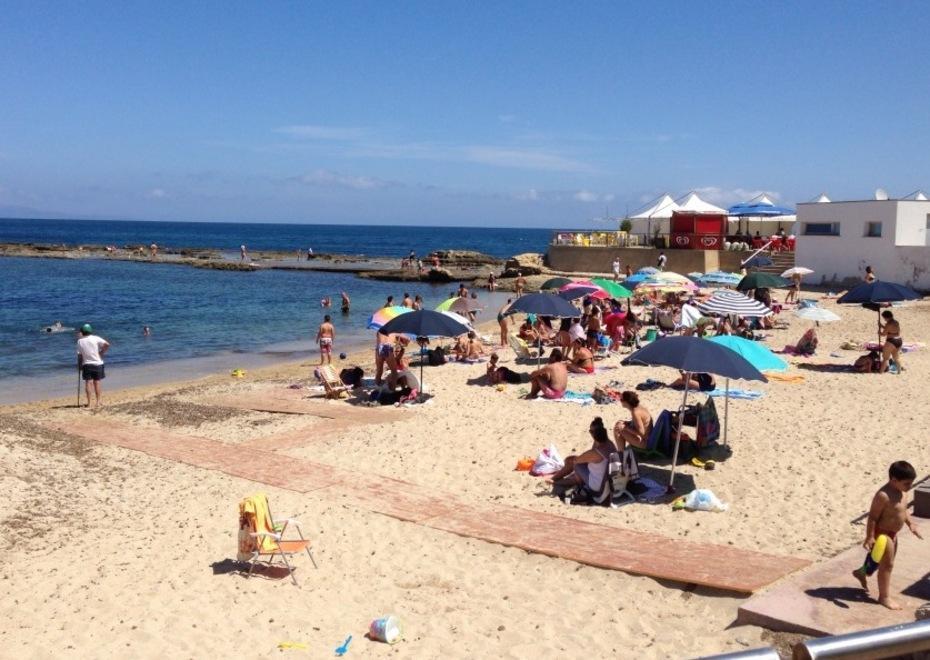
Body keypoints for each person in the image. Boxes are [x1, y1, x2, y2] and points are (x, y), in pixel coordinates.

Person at [852, 461, 922, 610]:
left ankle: (861, 572)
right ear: (893, 480)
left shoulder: (903, 493)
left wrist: (911, 524)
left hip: (893, 533)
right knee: (887, 565)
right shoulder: (883, 495)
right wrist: (870, 536)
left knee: (878, 561)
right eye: (906, 483)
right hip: (882, 534)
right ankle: (884, 597)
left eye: (911, 483)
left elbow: (903, 511)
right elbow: (873, 517)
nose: (909, 486)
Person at [545, 417, 618, 493]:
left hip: (598, 486)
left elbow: (576, 461)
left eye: (590, 431)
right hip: (607, 480)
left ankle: (554, 481)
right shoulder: (610, 444)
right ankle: (555, 480)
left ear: (593, 434)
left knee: (574, 463)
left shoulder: (596, 452)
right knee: (577, 465)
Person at [76, 324, 109, 409]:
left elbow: (79, 355)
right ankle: (98, 402)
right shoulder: (95, 338)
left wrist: (79, 366)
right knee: (97, 382)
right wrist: (101, 352)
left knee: (88, 383)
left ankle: (89, 403)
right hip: (98, 363)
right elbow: (107, 344)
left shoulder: (80, 341)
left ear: (82, 332)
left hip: (86, 364)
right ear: (90, 331)